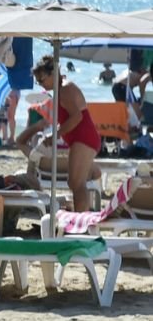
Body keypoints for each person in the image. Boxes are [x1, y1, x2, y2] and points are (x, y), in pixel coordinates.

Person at [34, 54, 100, 213]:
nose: (40, 84)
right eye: (37, 81)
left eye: (42, 80)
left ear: (53, 74)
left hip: (83, 138)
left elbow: (77, 117)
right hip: (82, 139)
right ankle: (82, 217)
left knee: (77, 184)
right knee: (76, 183)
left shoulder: (64, 89)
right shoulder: (61, 88)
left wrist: (55, 135)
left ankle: (81, 221)